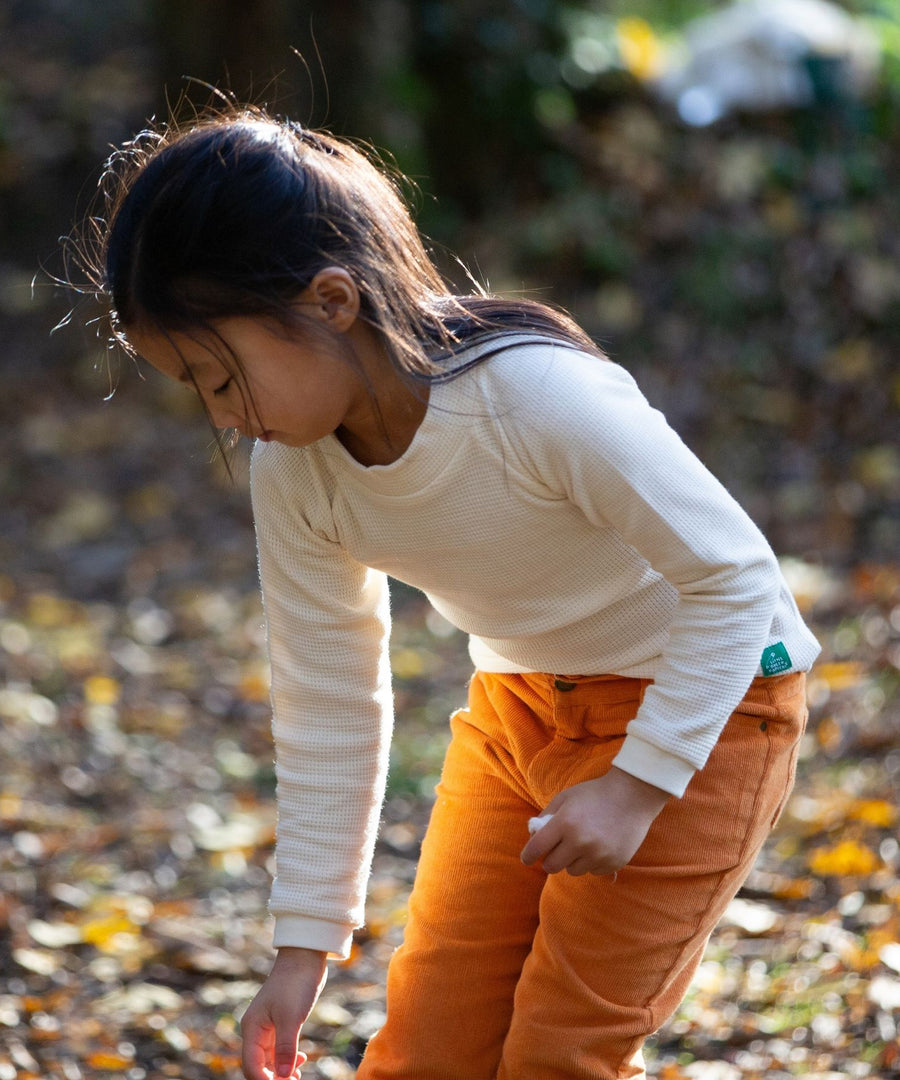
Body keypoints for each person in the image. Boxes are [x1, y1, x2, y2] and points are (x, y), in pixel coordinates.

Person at [71, 106, 820, 1080]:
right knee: (426, 1055)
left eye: (222, 378)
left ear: (332, 301)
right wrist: (304, 947)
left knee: (561, 1053)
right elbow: (330, 700)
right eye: (196, 389)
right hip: (520, 713)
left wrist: (638, 786)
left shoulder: (539, 401)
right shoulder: (292, 473)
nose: (222, 415)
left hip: (711, 707)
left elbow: (736, 579)